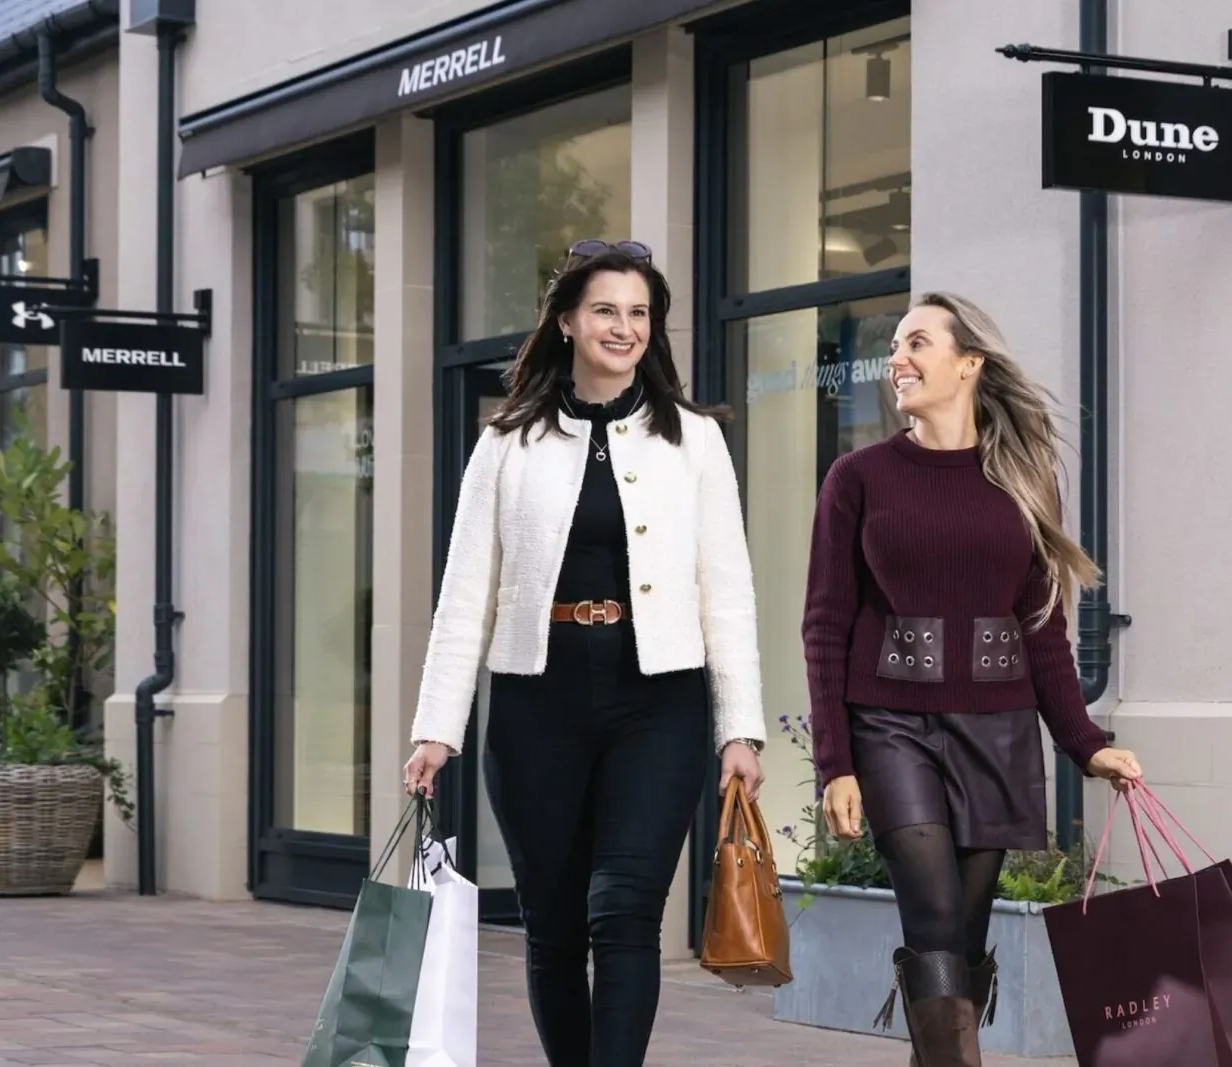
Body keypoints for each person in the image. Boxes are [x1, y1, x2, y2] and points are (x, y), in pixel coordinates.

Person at [403, 241, 768, 1067]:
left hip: (659, 702)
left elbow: (728, 588)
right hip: (539, 704)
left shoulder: (696, 441)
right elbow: (467, 592)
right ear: (567, 320)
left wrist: (739, 727)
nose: (624, 327)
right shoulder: (505, 443)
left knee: (628, 910)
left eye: (639, 313)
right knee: (555, 921)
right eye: (606, 310)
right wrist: (437, 728)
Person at [803, 291, 1144, 1066]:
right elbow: (825, 623)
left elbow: (1043, 629)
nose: (899, 358)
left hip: (997, 728)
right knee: (930, 911)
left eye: (917, 342)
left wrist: (1087, 744)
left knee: (963, 930)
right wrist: (837, 761)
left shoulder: (1024, 479)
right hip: (889, 723)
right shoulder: (857, 477)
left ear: (969, 363)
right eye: (895, 345)